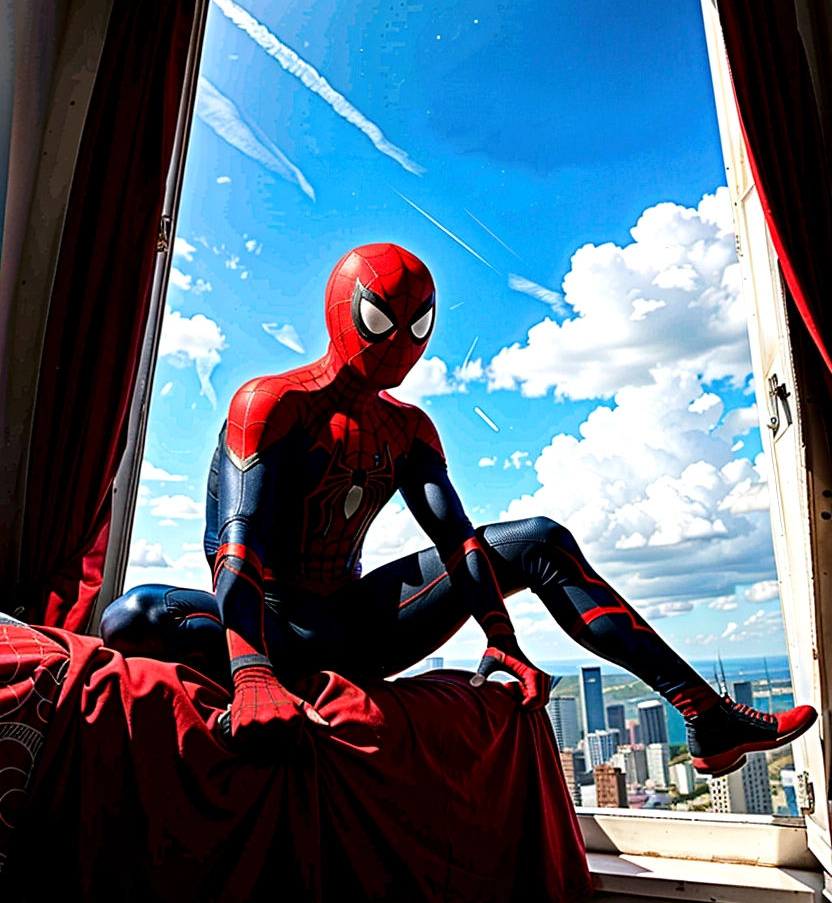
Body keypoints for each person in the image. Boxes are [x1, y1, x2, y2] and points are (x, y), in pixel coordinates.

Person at [102, 243, 816, 777]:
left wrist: (500, 635)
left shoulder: (408, 430)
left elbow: (461, 542)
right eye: (383, 319)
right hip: (269, 628)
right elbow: (238, 546)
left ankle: (706, 714)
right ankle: (262, 669)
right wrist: (253, 671)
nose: (399, 344)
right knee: (130, 617)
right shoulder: (272, 404)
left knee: (539, 539)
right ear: (343, 311)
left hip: (354, 625)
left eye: (418, 326)